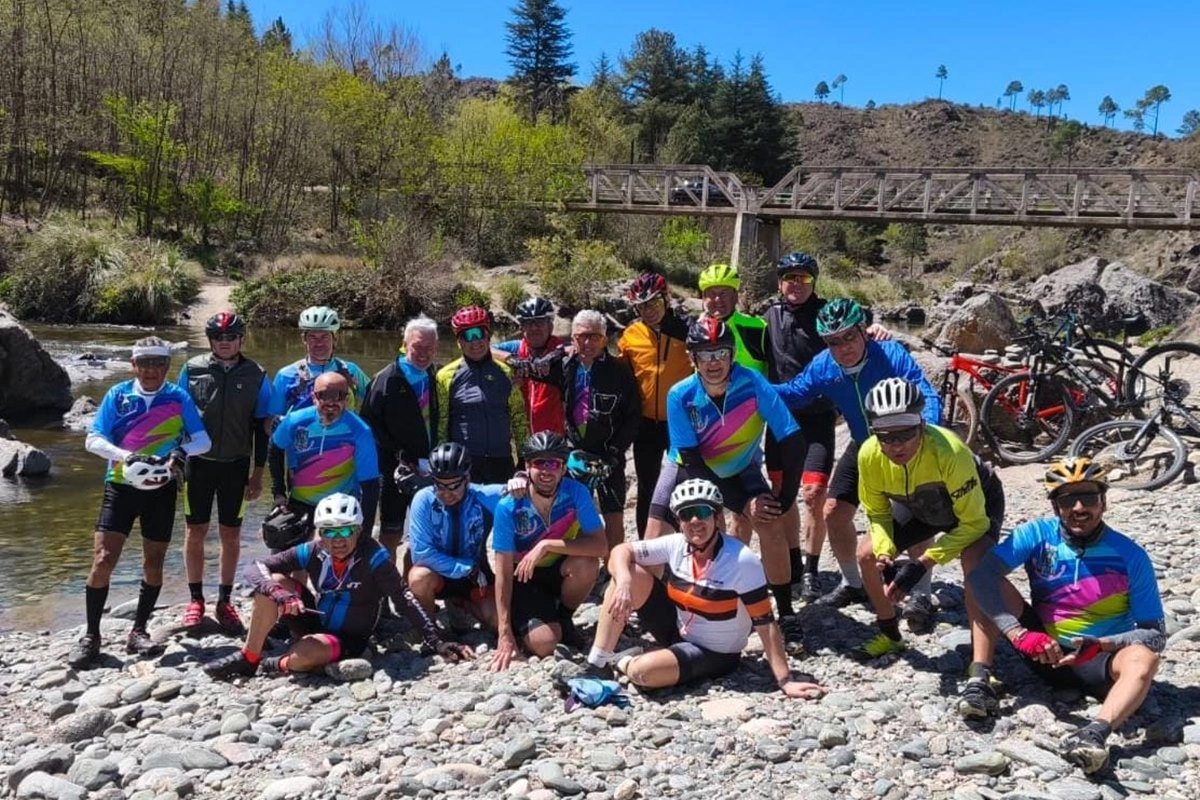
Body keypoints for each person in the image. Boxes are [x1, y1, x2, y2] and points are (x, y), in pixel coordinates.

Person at [968, 458, 1165, 774]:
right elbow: (980, 577)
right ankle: (979, 678)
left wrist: (1102, 644)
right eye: (1066, 500)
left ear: (1104, 501)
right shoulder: (1037, 535)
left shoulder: (1130, 555)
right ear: (1055, 505)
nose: (1078, 507)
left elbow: (1154, 633)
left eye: (1088, 497)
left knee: (1145, 659)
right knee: (981, 570)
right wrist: (1018, 633)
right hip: (1042, 648)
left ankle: (1094, 733)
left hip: (1099, 660)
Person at [580, 479, 826, 698]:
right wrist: (623, 582)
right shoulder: (676, 543)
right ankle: (598, 663)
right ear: (679, 521)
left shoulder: (741, 561)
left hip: (714, 652)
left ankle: (623, 661)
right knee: (629, 573)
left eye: (702, 512)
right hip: (678, 628)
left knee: (641, 672)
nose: (695, 521)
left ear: (716, 517)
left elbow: (765, 623)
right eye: (687, 514)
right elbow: (621, 550)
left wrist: (785, 680)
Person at [775, 298, 941, 618]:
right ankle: (853, 584)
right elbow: (795, 393)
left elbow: (925, 392)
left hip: (903, 444)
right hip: (863, 444)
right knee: (834, 513)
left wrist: (928, 432)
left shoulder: (890, 354)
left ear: (863, 331)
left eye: (849, 336)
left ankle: (921, 592)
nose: (843, 347)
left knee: (917, 514)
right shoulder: (825, 365)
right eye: (834, 341)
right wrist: (750, 385)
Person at [203, 493, 474, 679]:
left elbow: (404, 597)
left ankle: (272, 663)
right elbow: (255, 567)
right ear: (320, 533)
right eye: (329, 531)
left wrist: (437, 640)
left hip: (348, 640)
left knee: (306, 653)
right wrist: (278, 592)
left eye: (345, 530)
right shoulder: (313, 549)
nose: (337, 539)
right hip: (313, 621)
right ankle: (249, 658)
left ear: (358, 530)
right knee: (271, 582)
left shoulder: (374, 556)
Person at [856, 379, 1007, 709]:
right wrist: (884, 551)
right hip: (920, 507)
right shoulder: (868, 454)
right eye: (885, 435)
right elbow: (877, 513)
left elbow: (974, 523)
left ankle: (980, 671)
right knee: (866, 553)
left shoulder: (948, 451)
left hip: (975, 507)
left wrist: (925, 561)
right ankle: (890, 634)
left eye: (906, 432)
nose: (896, 445)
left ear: (922, 424)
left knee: (975, 563)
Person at [646, 316, 806, 617]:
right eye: (704, 354)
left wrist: (783, 499)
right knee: (653, 540)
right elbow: (693, 463)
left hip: (738, 467)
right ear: (692, 358)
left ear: (732, 354)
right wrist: (744, 502)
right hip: (687, 467)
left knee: (771, 525)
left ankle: (785, 614)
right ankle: (655, 611)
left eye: (720, 352)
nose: (713, 362)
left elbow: (793, 440)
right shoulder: (680, 395)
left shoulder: (753, 382)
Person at [69, 336, 212, 668]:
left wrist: (181, 451)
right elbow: (93, 439)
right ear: (133, 365)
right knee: (104, 558)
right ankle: (91, 635)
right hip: (119, 485)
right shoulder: (118, 395)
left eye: (158, 364)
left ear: (166, 366)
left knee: (154, 561)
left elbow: (203, 440)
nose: (151, 370)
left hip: (161, 488)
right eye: (144, 363)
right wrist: (127, 457)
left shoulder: (178, 397)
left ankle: (139, 631)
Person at [177, 311, 272, 634]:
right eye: (219, 337)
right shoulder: (192, 369)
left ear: (241, 339)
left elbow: (263, 428)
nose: (225, 342)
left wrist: (259, 472)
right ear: (210, 341)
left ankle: (224, 600)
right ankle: (194, 599)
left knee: (231, 535)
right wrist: (173, 461)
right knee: (195, 531)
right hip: (198, 465)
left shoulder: (257, 374)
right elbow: (178, 419)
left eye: (231, 337)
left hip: (235, 466)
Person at [524, 309, 641, 551]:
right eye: (580, 336)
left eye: (594, 336)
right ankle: (573, 560)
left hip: (608, 453)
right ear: (572, 338)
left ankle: (613, 568)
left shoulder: (619, 372)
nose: (587, 342)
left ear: (605, 337)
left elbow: (633, 417)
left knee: (613, 513)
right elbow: (526, 366)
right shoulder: (563, 364)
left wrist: (615, 451)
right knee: (568, 510)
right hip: (573, 453)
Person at [490, 432, 607, 670]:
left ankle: (564, 618)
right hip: (524, 576)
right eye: (538, 462)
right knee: (545, 645)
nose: (546, 470)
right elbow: (502, 571)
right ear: (527, 467)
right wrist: (504, 633)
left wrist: (546, 545)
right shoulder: (509, 506)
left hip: (558, 567)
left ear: (563, 468)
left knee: (587, 563)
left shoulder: (576, 493)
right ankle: (520, 621)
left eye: (553, 463)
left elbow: (600, 545)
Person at [617, 272, 692, 538]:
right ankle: (644, 546)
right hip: (646, 424)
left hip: (680, 424)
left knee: (682, 485)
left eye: (653, 303)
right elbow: (620, 378)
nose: (648, 310)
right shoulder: (631, 335)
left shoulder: (688, 332)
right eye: (641, 305)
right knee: (647, 487)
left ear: (666, 299)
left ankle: (684, 543)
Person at [361, 316, 440, 556]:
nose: (423, 353)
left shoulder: (436, 376)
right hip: (394, 468)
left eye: (429, 347)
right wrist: (398, 453)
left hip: (432, 465)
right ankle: (386, 584)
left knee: (426, 529)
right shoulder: (385, 379)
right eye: (417, 346)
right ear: (405, 345)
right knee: (391, 529)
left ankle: (413, 581)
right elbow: (369, 424)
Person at [269, 371, 380, 539]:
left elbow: (370, 484)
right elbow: (275, 447)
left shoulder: (360, 431)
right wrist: (279, 493)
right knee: (281, 554)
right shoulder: (295, 421)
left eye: (338, 396)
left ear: (346, 398)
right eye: (324, 395)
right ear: (314, 397)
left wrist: (365, 534)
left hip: (340, 507)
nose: (331, 402)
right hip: (300, 503)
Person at [405, 442, 504, 629]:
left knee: (497, 622)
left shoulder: (482, 495)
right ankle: (429, 631)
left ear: (467, 479)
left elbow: (525, 493)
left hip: (476, 576)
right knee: (418, 577)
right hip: (443, 574)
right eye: (439, 485)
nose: (446, 493)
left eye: (453, 486)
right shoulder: (423, 499)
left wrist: (522, 479)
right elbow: (421, 554)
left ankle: (462, 605)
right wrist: (467, 569)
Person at [437, 305, 529, 484]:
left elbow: (518, 418)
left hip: (501, 461)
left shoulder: (507, 372)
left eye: (479, 333)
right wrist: (443, 466)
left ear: (488, 335)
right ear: (459, 341)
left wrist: (524, 461)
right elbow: (442, 423)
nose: (475, 342)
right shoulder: (445, 376)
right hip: (463, 464)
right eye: (467, 336)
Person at [268, 305, 370, 421]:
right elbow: (270, 420)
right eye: (312, 337)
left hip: (343, 437)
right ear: (304, 340)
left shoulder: (351, 370)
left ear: (335, 339)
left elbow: (376, 402)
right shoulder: (285, 375)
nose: (319, 343)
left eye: (324, 337)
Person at [494, 296, 567, 435]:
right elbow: (485, 349)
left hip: (555, 437)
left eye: (540, 322)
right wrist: (510, 359)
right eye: (529, 323)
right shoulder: (516, 348)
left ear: (550, 325)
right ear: (521, 327)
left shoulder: (559, 347)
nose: (534, 328)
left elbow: (575, 348)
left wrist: (554, 357)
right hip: (524, 435)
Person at [696, 263, 768, 374]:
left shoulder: (758, 327)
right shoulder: (696, 329)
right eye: (712, 293)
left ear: (735, 296)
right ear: (704, 298)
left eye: (724, 293)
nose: (717, 299)